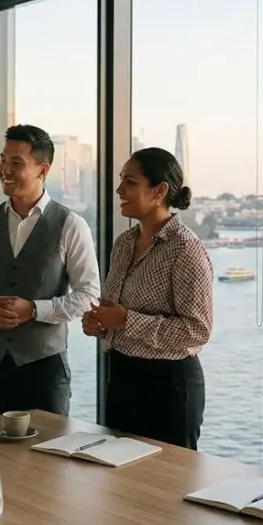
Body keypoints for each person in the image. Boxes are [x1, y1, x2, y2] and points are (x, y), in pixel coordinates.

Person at [0, 124, 100, 418]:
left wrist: (34, 310)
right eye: (3, 160)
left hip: (45, 369)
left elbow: (89, 295)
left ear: (43, 170)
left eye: (16, 163)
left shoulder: (71, 225)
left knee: (46, 458)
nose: (4, 169)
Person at [82, 147, 213, 450]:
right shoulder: (124, 244)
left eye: (130, 182)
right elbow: (112, 310)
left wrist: (127, 321)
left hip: (169, 388)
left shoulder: (185, 249)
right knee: (120, 487)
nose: (119, 190)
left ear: (160, 191)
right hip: (121, 379)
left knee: (166, 489)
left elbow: (198, 330)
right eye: (120, 180)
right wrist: (99, 323)